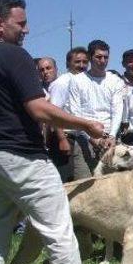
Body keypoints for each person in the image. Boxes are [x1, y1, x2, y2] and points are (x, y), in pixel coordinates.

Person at [0, 0, 103, 264]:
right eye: (20, 24)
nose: (26, 30)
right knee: (58, 232)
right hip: (23, 159)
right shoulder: (14, 55)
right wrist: (85, 123)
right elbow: (38, 107)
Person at [67, 39, 127, 178]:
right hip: (84, 138)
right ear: (90, 57)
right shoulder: (77, 81)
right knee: (84, 184)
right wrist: (92, 139)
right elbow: (76, 114)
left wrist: (112, 136)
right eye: (98, 57)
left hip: (109, 138)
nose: (103, 60)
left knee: (111, 185)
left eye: (106, 57)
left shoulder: (115, 81)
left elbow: (117, 110)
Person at [47, 46, 89, 182]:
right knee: (68, 182)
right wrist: (62, 139)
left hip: (82, 138)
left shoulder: (85, 82)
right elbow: (53, 114)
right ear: (68, 64)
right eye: (77, 62)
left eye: (85, 62)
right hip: (67, 139)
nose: (81, 65)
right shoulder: (62, 83)